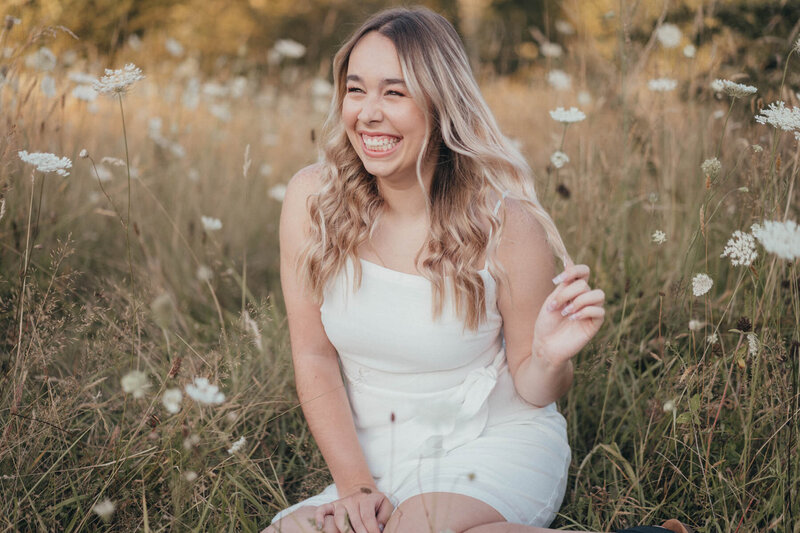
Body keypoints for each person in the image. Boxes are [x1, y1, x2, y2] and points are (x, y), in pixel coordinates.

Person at [264, 7, 691, 533]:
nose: (368, 114)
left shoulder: (507, 226)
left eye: (394, 93)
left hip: (492, 441)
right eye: (356, 90)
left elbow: (534, 387)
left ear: (441, 103)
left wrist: (550, 356)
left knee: (418, 526)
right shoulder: (313, 200)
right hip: (377, 457)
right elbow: (312, 353)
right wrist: (357, 488)